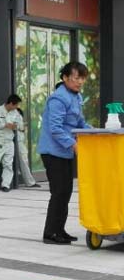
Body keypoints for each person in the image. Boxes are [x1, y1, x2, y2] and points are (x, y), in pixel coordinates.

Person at [38, 61, 90, 245]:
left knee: (65, 192)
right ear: (65, 78)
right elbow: (55, 129)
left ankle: (59, 230)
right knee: (59, 191)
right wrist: (73, 145)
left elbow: (80, 123)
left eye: (82, 78)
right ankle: (50, 233)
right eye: (76, 78)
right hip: (53, 151)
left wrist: (96, 133)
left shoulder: (76, 97)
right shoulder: (58, 99)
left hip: (65, 152)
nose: (80, 82)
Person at [14, 108, 40, 188]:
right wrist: (23, 127)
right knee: (24, 161)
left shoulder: (15, 115)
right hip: (18, 141)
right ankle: (30, 182)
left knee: (23, 161)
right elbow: (21, 128)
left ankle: (29, 181)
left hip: (18, 141)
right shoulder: (16, 115)